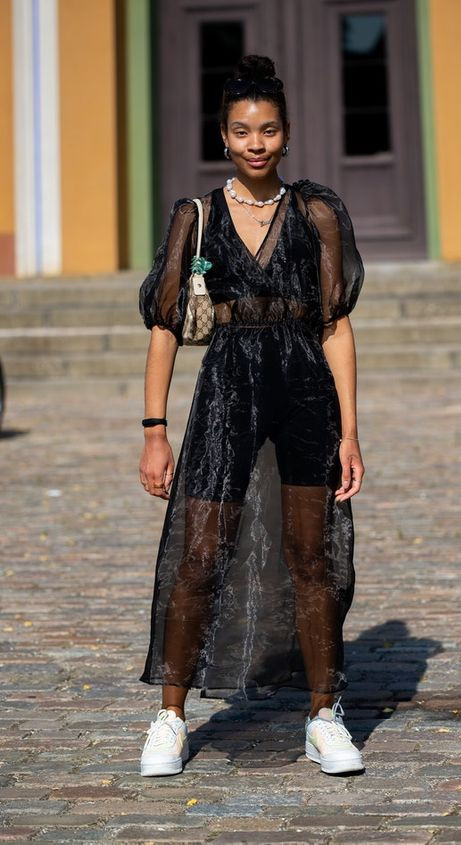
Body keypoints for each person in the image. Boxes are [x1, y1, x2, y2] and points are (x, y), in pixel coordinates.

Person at [137, 54, 365, 777]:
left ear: (287, 134)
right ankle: (170, 717)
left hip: (305, 392)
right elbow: (166, 326)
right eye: (242, 131)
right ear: (224, 137)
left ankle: (324, 716)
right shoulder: (196, 217)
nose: (256, 142)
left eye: (268, 129)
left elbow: (335, 324)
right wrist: (154, 429)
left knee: (312, 556)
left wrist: (352, 431)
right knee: (199, 554)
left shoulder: (317, 212)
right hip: (228, 389)